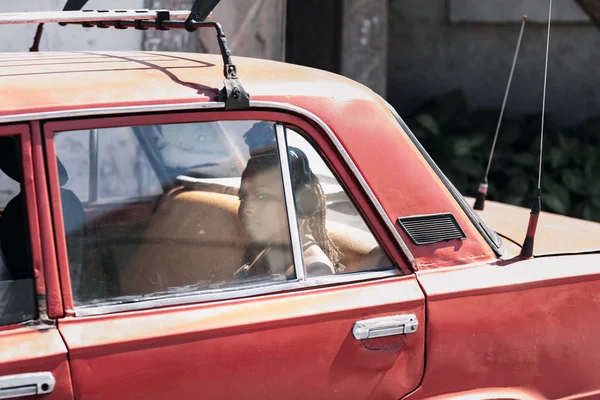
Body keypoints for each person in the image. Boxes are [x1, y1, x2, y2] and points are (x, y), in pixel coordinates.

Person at [234, 122, 344, 280]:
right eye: (242, 197)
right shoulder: (269, 251)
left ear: (304, 204)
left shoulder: (311, 272)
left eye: (263, 196)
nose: (247, 208)